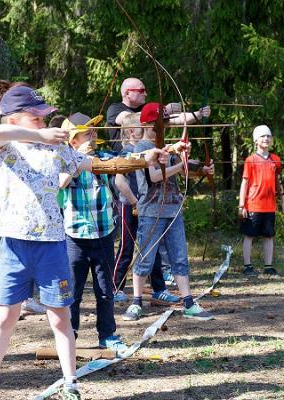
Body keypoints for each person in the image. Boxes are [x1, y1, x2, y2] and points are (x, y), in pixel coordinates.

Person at [0, 82, 170, 400]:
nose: (41, 122)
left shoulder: (58, 150)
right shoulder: (3, 145)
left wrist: (147, 159)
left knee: (59, 317)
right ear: (13, 119)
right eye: (34, 118)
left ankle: (70, 384)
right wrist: (39, 135)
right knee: (6, 315)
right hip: (14, 244)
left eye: (42, 118)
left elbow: (103, 165)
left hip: (52, 245)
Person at [122, 102, 215, 322]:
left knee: (179, 258)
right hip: (151, 211)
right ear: (146, 124)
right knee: (145, 257)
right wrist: (179, 166)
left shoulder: (168, 146)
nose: (161, 128)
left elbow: (182, 168)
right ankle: (136, 303)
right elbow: (155, 176)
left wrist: (202, 168)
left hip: (173, 210)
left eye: (163, 123)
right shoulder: (141, 147)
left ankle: (189, 303)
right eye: (157, 125)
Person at [57, 112, 127, 352]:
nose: (93, 136)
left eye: (94, 132)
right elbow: (59, 183)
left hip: (104, 234)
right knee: (72, 291)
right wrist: (79, 160)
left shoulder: (103, 158)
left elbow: (129, 159)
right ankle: (70, 334)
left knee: (105, 289)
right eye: (87, 133)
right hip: (74, 237)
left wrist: (160, 154)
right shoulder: (64, 161)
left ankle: (107, 335)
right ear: (73, 140)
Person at [112, 113, 180, 306]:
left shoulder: (149, 150)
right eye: (143, 126)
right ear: (133, 131)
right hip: (129, 206)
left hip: (145, 207)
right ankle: (115, 287)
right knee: (127, 248)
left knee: (152, 247)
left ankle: (159, 290)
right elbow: (120, 182)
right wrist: (134, 203)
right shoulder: (127, 153)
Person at [238, 125, 284, 277]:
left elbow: (278, 181)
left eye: (268, 136)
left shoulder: (276, 160)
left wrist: (283, 200)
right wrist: (242, 205)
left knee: (268, 235)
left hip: (269, 206)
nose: (266, 138)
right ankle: (247, 266)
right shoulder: (250, 160)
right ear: (256, 140)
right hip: (253, 204)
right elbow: (244, 183)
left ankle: (268, 266)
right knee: (249, 235)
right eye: (262, 136)